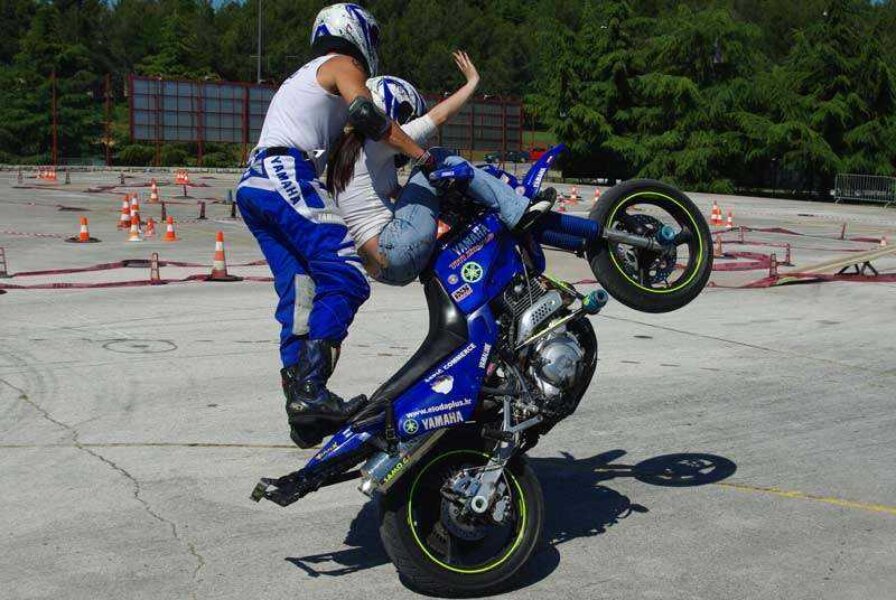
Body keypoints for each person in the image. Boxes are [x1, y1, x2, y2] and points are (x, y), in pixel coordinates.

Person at [236, 3, 441, 449]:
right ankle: (311, 389)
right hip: (284, 172)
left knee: (301, 290)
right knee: (345, 274)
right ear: (357, 32)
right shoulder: (343, 64)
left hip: (255, 184)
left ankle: (300, 404)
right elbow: (368, 115)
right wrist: (422, 157)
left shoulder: (306, 76)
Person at [327, 51, 556, 285]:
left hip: (380, 268)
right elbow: (438, 117)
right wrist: (472, 82)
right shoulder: (377, 141)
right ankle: (517, 211)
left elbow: (403, 198)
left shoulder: (348, 156)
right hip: (393, 245)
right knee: (436, 156)